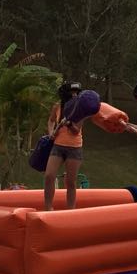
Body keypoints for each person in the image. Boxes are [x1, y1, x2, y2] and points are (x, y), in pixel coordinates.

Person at [44, 81, 86, 211]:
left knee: (70, 181)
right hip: (58, 146)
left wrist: (68, 124)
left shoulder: (80, 108)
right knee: (49, 176)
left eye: (76, 93)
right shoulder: (57, 106)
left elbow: (76, 131)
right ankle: (48, 208)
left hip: (74, 148)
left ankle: (70, 210)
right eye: (72, 92)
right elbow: (51, 120)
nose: (74, 95)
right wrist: (51, 132)